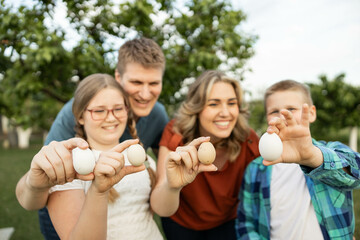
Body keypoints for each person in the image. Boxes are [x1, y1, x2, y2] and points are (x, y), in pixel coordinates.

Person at [15, 37, 169, 239]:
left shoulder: (157, 115)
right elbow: (47, 175)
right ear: (118, 77)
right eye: (136, 82)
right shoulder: (75, 113)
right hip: (67, 205)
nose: (145, 93)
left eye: (154, 83)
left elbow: (159, 173)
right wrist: (37, 184)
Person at [235, 80, 360, 240]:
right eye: (274, 111)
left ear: (312, 113)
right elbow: (246, 223)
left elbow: (356, 172)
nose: (282, 115)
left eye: (291, 109)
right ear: (267, 117)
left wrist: (312, 157)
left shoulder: (330, 151)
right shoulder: (255, 169)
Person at [150, 70, 260, 240]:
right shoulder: (176, 133)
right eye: (214, 104)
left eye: (231, 103)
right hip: (182, 223)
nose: (225, 112)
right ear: (197, 108)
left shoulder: (249, 140)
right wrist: (172, 186)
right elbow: (160, 207)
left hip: (226, 222)